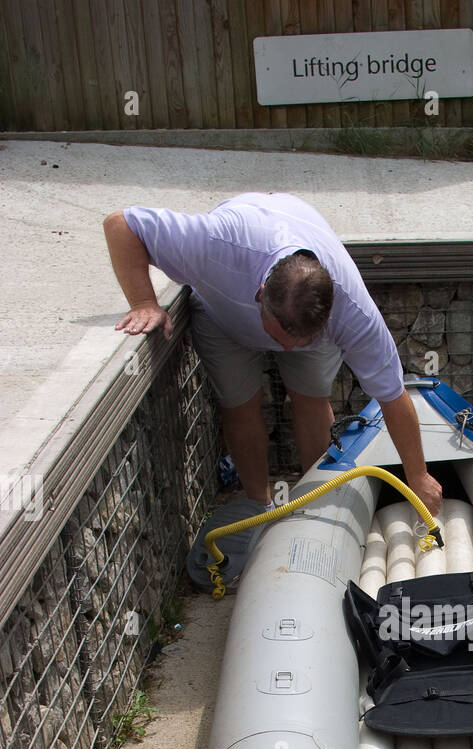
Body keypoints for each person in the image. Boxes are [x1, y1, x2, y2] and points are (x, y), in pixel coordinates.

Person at [103, 191, 442, 587]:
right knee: (240, 402)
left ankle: (314, 507)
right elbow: (120, 225)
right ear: (262, 296)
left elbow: (392, 397)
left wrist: (418, 476)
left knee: (311, 397)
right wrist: (144, 300)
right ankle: (259, 506)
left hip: (305, 320)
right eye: (281, 339)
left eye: (297, 342)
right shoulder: (216, 242)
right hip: (224, 315)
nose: (285, 351)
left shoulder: (353, 312)